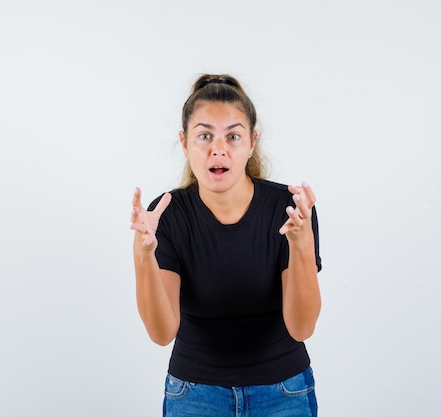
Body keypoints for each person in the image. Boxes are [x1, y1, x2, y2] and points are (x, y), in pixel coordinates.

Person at [130, 74, 322, 417]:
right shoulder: (166, 215)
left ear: (251, 143)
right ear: (185, 143)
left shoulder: (290, 209)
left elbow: (302, 327)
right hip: (193, 395)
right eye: (204, 136)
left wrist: (301, 242)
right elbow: (161, 333)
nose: (218, 148)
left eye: (232, 136)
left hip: (284, 393)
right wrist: (143, 255)